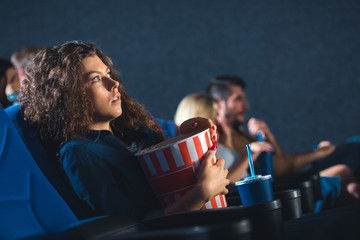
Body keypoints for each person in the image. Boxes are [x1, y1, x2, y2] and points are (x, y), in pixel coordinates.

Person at [19, 41, 230, 220]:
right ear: (69, 96)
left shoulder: (137, 133)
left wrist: (189, 139)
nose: (114, 83)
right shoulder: (78, 153)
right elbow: (130, 228)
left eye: (108, 73)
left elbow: (173, 188)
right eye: (95, 79)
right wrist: (203, 192)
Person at [206, 75, 360, 204]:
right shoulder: (216, 139)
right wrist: (318, 154)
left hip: (285, 181)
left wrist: (268, 135)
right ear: (218, 103)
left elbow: (280, 158)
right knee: (350, 157)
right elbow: (281, 168)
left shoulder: (240, 134)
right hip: (280, 188)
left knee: (352, 167)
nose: (245, 105)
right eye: (238, 99)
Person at [174, 92, 268, 183]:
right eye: (216, 115)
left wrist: (228, 143)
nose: (220, 119)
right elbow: (226, 182)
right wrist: (251, 154)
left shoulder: (214, 145)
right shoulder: (206, 152)